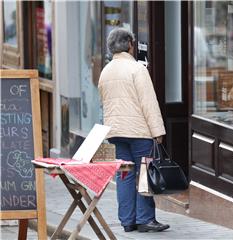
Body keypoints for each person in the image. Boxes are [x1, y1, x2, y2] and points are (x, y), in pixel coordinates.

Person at [98, 27, 169, 233]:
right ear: (130, 44)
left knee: (125, 175)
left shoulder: (106, 71)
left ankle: (127, 220)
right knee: (144, 174)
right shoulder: (137, 69)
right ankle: (145, 219)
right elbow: (149, 103)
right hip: (139, 132)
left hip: (116, 133)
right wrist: (158, 131)